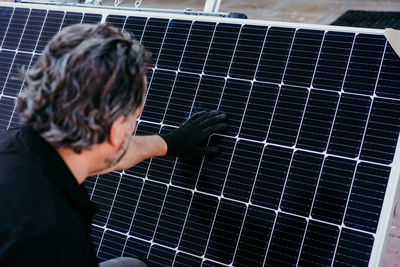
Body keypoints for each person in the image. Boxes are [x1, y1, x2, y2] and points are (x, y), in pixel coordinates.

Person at [0, 23, 227, 266]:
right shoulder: (58, 241)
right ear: (116, 129)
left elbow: (106, 153)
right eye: (133, 118)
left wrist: (170, 143)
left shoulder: (15, 143)